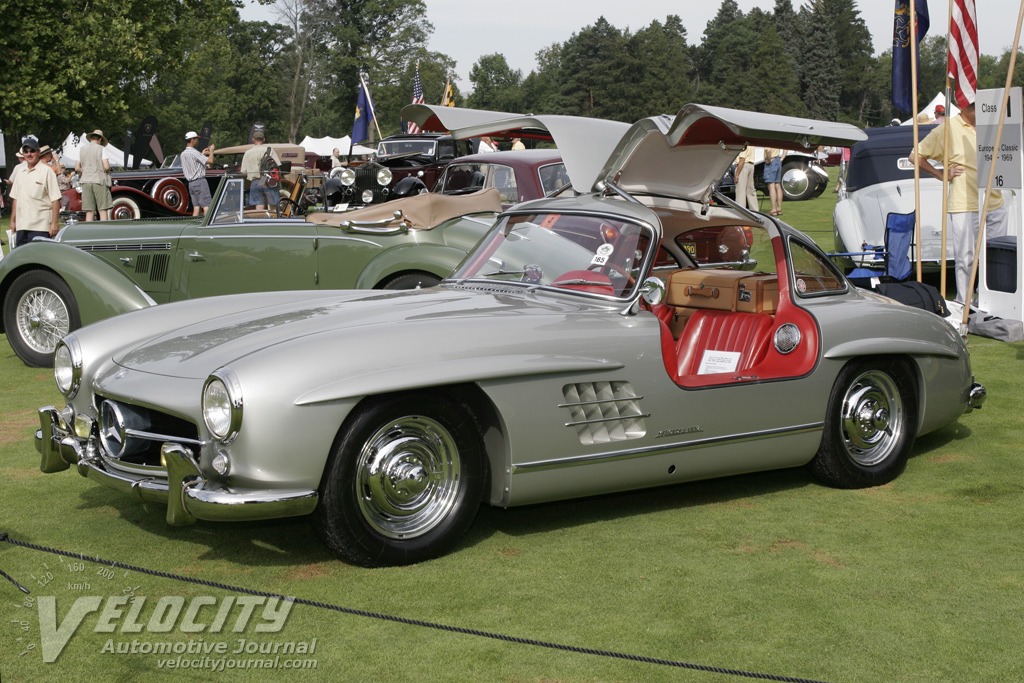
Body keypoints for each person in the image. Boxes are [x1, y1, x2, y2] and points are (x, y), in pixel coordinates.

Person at [909, 101, 1008, 304]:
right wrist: (941, 175)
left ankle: (992, 301)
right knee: (966, 257)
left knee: (997, 257)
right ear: (962, 106)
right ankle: (966, 304)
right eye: (973, 105)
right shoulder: (948, 127)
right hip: (964, 201)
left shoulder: (990, 125)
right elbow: (915, 156)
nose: (978, 108)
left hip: (995, 200)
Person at [9, 138, 61, 247]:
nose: (29, 154)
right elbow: (16, 198)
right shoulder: (20, 172)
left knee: (41, 259)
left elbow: (55, 199)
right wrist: (12, 221)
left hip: (40, 226)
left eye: (32, 151)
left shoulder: (47, 171)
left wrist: (54, 223)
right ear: (23, 154)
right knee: (22, 261)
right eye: (26, 151)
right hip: (22, 226)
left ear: (38, 152)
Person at [75, 130, 112, 221]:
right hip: (98, 180)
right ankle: (104, 231)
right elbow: (106, 167)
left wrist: (85, 170)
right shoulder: (101, 149)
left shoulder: (82, 149)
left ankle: (89, 232)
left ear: (90, 139)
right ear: (100, 139)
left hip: (85, 180)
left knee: (89, 211)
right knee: (102, 209)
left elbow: (76, 168)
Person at [240, 133, 281, 210]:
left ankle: (259, 220)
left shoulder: (248, 153)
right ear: (264, 139)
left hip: (255, 181)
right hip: (268, 180)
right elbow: (277, 166)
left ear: (253, 139)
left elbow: (244, 171)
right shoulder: (270, 151)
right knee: (272, 205)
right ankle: (274, 220)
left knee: (259, 205)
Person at [181, 130, 215, 216]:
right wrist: (211, 151)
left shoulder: (183, 154)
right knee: (206, 205)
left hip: (191, 184)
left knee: (196, 207)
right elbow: (210, 161)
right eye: (196, 139)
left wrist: (202, 154)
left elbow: (195, 163)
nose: (197, 141)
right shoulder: (194, 152)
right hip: (199, 182)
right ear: (192, 140)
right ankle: (207, 226)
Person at [733, 145, 758, 211]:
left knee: (741, 191)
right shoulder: (751, 143)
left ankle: (740, 211)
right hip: (751, 165)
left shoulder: (743, 144)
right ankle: (755, 211)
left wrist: (737, 174)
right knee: (750, 191)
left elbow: (742, 159)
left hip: (743, 166)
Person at [763, 147, 785, 216]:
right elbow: (785, 149)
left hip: (771, 161)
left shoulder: (768, 138)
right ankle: (779, 208)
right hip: (778, 160)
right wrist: (782, 158)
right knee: (778, 185)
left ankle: (773, 209)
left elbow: (768, 150)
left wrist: (768, 160)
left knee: (771, 186)